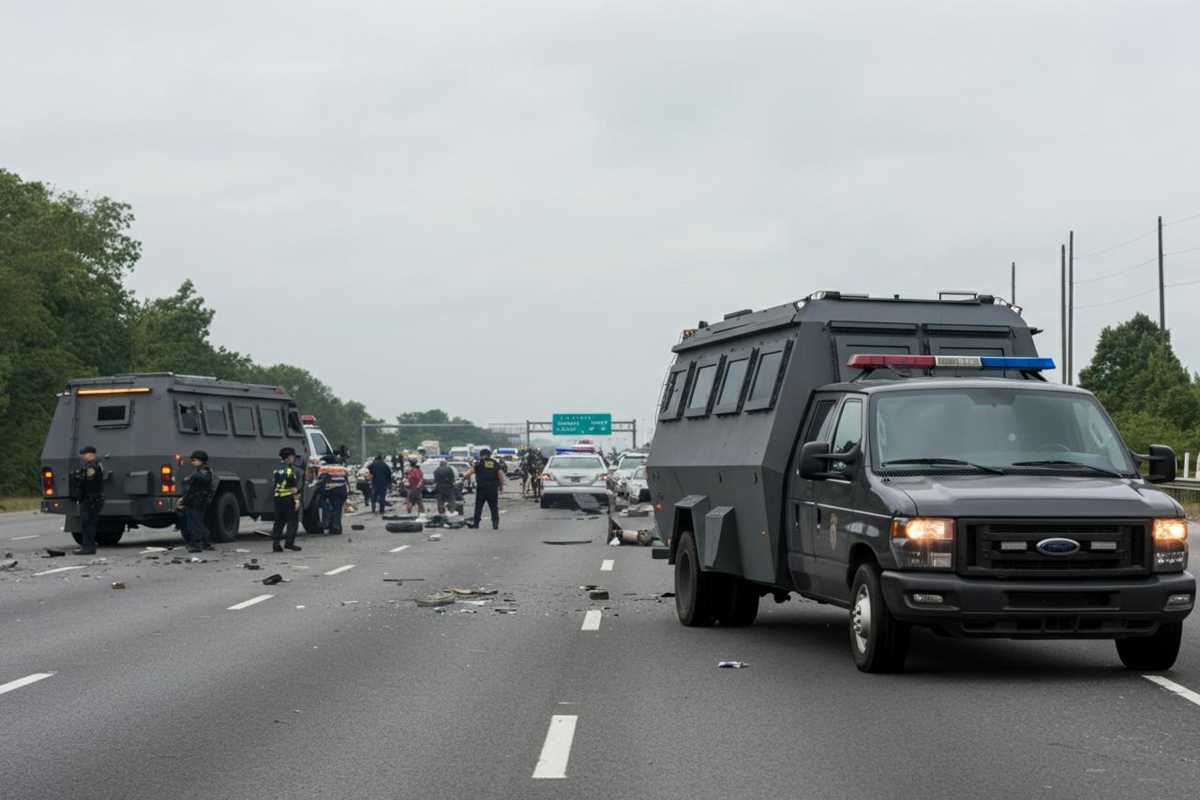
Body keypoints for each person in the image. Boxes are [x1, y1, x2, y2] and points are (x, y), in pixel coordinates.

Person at [178, 450, 215, 553]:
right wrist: (184, 500)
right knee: (193, 522)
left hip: (198, 501)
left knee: (195, 523)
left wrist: (191, 477)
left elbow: (203, 480)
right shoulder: (199, 471)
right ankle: (203, 544)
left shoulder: (205, 471)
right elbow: (191, 489)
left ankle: (198, 544)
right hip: (193, 501)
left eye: (194, 460)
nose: (192, 462)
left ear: (201, 460)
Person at [72, 445, 105, 555]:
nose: (82, 457)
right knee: (88, 523)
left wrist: (79, 481)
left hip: (90, 500)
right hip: (92, 499)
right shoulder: (92, 465)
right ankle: (88, 547)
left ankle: (88, 547)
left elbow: (89, 483)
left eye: (84, 454)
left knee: (87, 524)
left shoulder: (91, 467)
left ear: (90, 454)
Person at [271, 447, 302, 553]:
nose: (294, 459)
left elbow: (274, 484)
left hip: (277, 498)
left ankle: (276, 543)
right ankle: (289, 543)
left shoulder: (276, 470)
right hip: (288, 499)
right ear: (288, 458)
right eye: (293, 457)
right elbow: (293, 488)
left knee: (279, 521)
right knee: (292, 521)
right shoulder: (290, 471)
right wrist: (297, 501)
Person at [467, 447, 504, 530]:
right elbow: (500, 474)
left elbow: (470, 472)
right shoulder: (495, 463)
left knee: (479, 506)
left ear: (481, 455)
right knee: (494, 506)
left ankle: (476, 524)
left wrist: (465, 477)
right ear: (489, 455)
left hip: (481, 488)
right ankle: (495, 523)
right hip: (492, 488)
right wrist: (501, 486)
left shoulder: (479, 463)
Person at [317, 454, 350, 535]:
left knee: (327, 509)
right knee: (337, 509)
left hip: (329, 491)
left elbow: (320, 479)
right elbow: (346, 477)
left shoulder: (324, 468)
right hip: (341, 490)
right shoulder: (342, 468)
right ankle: (336, 527)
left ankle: (327, 525)